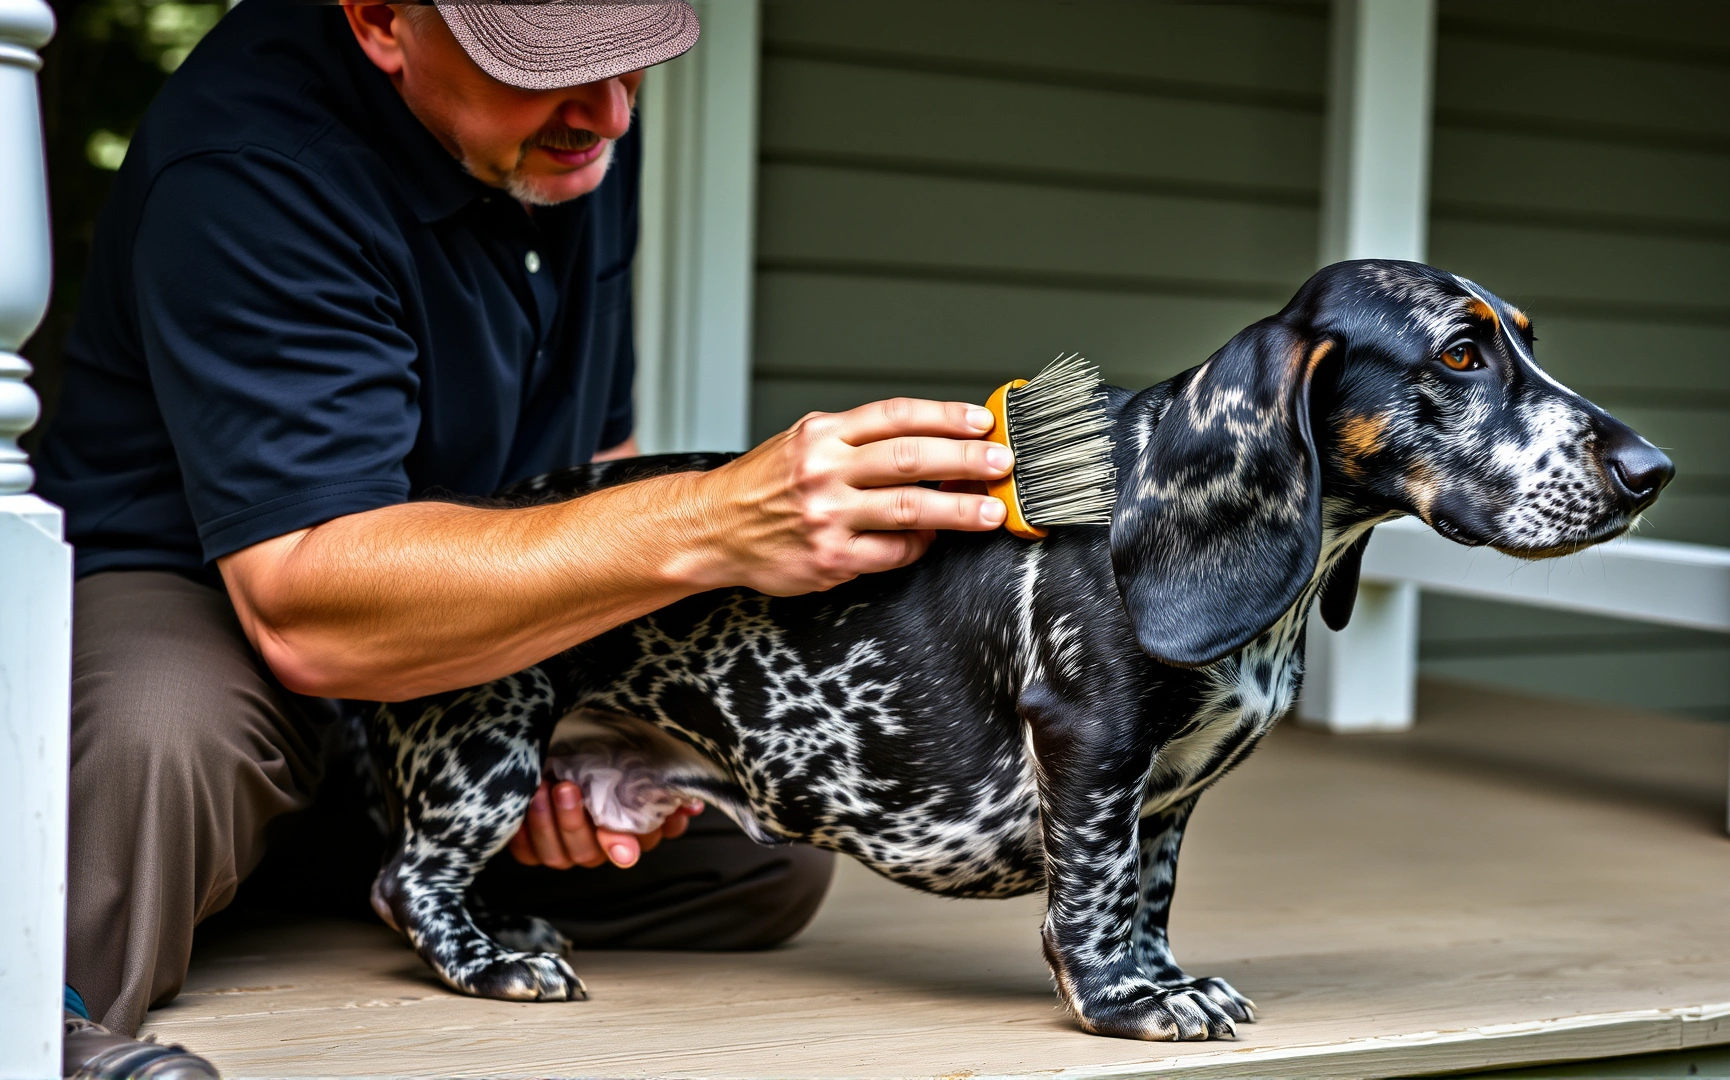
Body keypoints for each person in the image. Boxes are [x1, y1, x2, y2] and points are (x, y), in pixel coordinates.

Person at [34, 2, 1015, 1076]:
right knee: (166, 732)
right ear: (380, 20)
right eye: (543, 68)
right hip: (225, 593)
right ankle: (48, 1013)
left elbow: (601, 461)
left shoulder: (569, 130)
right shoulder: (250, 167)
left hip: (464, 602)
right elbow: (309, 608)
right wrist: (716, 516)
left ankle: (350, 854)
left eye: (632, 62)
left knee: (760, 850)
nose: (607, 112)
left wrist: (588, 716)